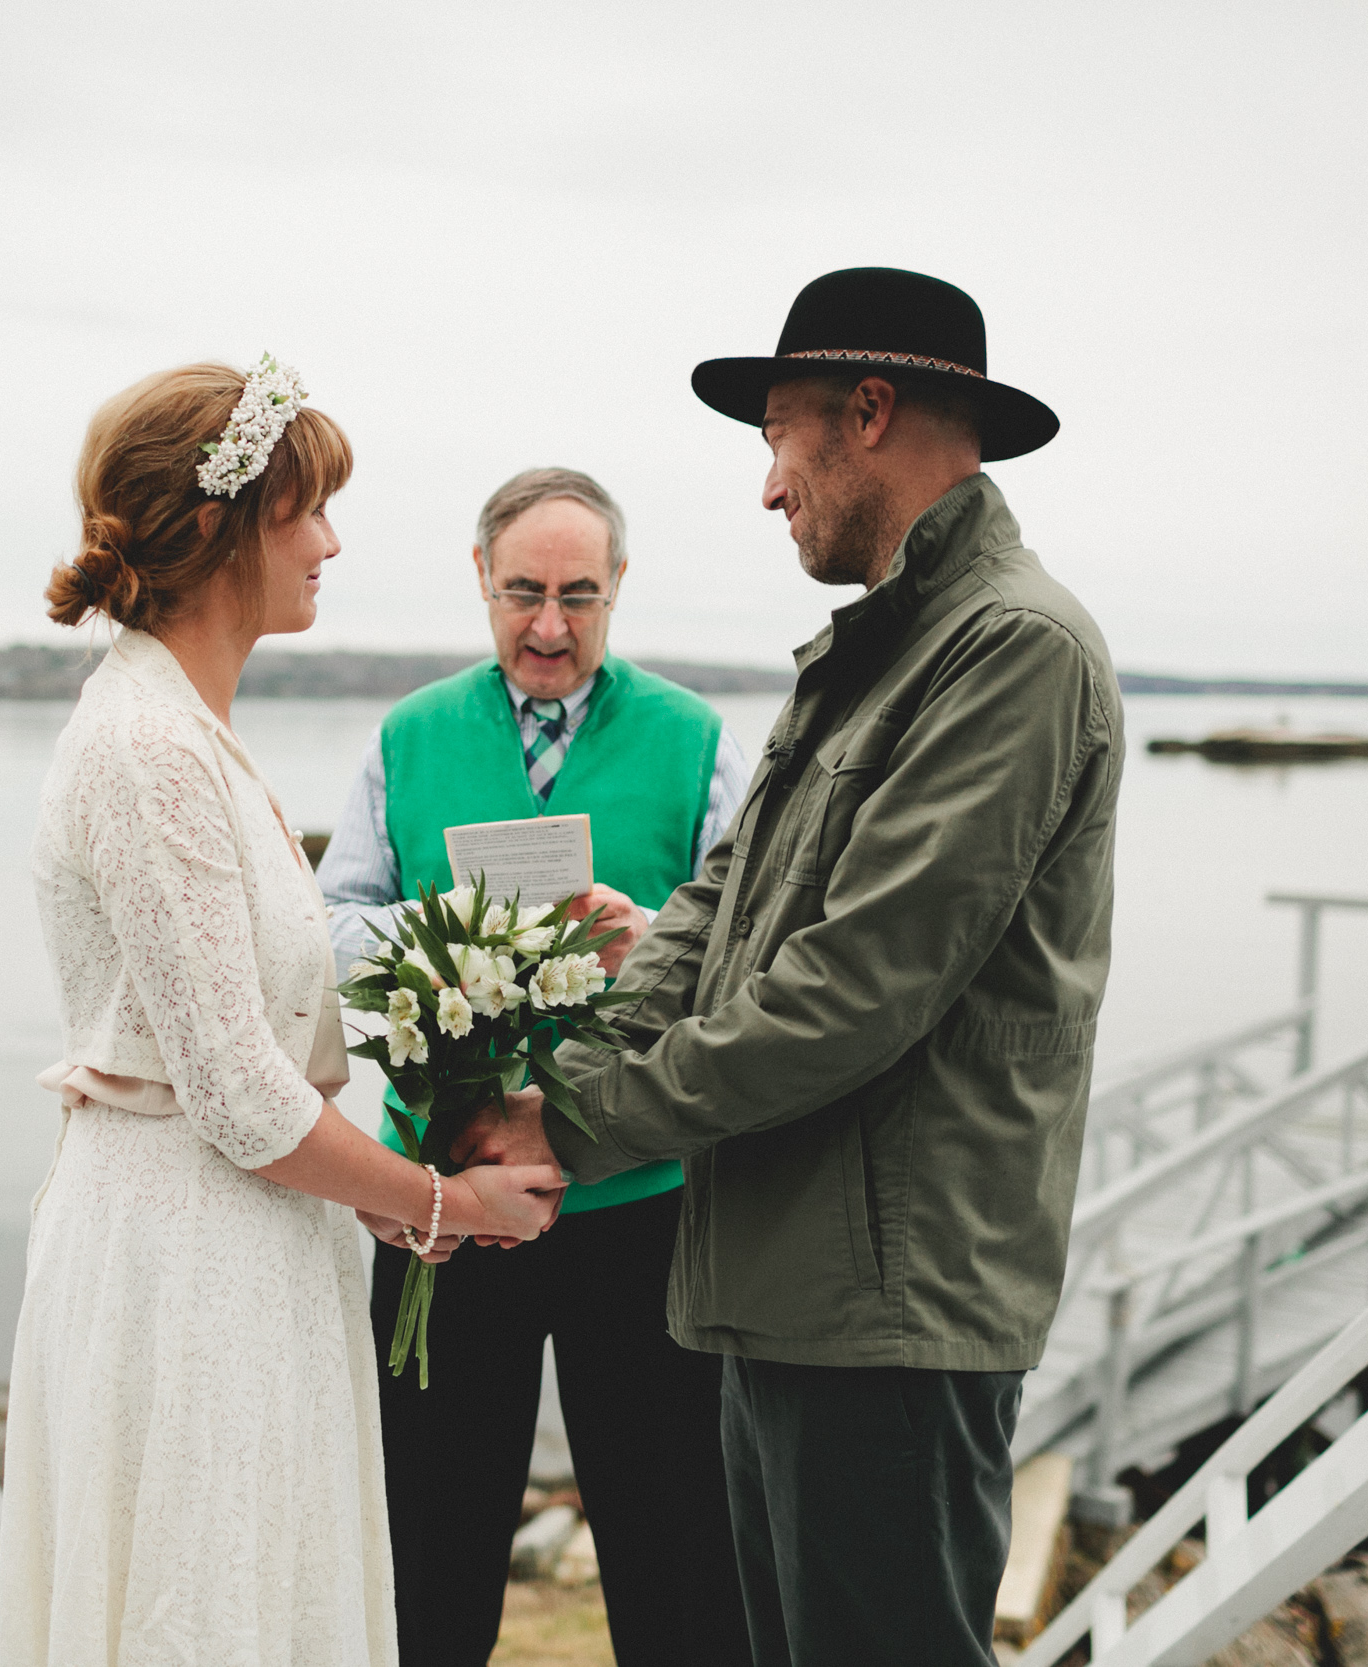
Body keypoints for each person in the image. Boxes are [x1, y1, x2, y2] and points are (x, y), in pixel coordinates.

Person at [460, 269, 1124, 1667]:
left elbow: (849, 995)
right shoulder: (869, 651)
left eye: (777, 435)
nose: (768, 488)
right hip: (779, 1282)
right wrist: (569, 1076)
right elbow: (712, 912)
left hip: (888, 1307)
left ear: (868, 411)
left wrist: (565, 1129)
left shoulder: (1010, 649)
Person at [0, 358, 565, 1667]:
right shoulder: (146, 749)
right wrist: (442, 1200)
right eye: (307, 507)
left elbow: (254, 1046)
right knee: (203, 1613)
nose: (331, 539)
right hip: (182, 1268)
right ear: (222, 527)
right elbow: (242, 1093)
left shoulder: (189, 733)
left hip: (250, 1250)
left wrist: (360, 1193)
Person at [316, 465, 755, 1667]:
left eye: (577, 595)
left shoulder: (699, 738)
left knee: (673, 1537)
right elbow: (329, 920)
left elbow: (751, 953)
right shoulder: (406, 736)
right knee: (426, 1530)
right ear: (480, 579)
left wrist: (649, 932)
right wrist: (450, 935)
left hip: (642, 1204)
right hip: (444, 1208)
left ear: (618, 589)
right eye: (522, 592)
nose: (548, 625)